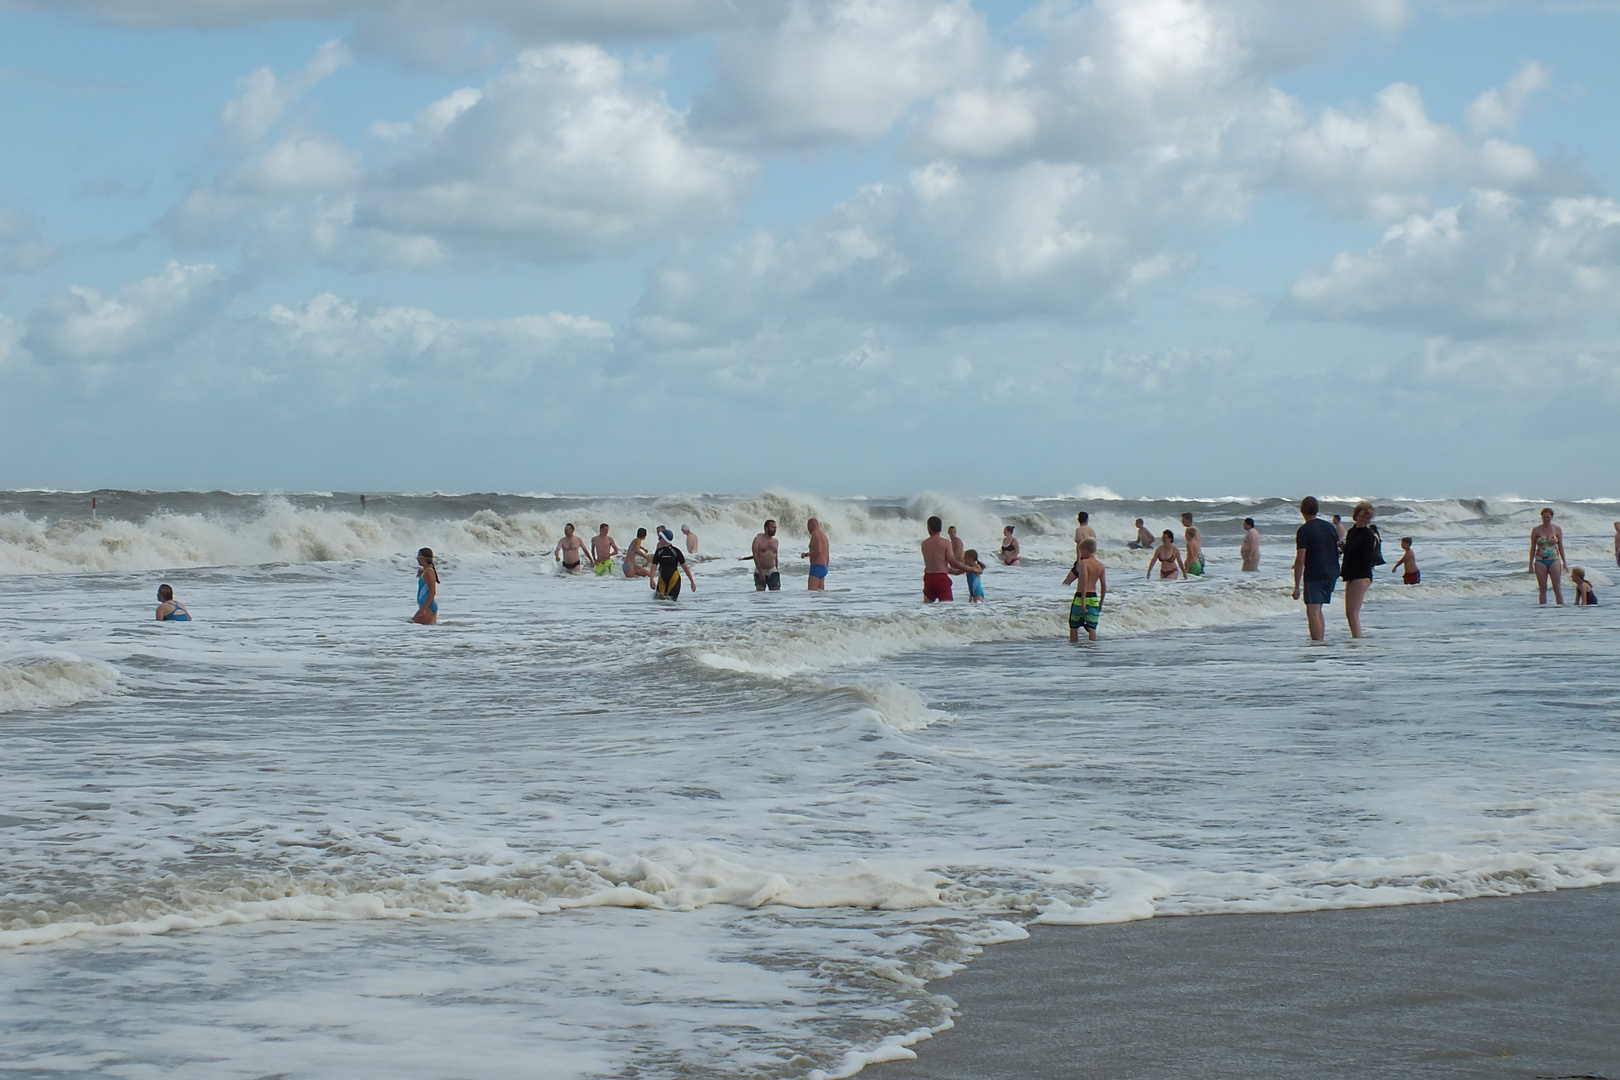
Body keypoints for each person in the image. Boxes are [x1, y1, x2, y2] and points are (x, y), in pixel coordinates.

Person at [1292, 496, 1341, 642]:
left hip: (1315, 573)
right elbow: (1336, 550)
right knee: (1318, 610)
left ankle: (1317, 644)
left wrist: (1296, 586)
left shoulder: (1304, 530)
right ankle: (1320, 641)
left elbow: (1301, 559)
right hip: (1331, 572)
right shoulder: (1330, 527)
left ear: (1302, 511)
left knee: (1312, 611)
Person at [1340, 501, 1383, 638]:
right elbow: (1350, 552)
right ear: (1356, 515)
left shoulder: (1368, 535)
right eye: (1362, 516)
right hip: (1351, 575)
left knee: (1353, 613)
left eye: (1367, 518)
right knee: (1349, 613)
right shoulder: (1352, 532)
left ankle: (1358, 641)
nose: (1364, 520)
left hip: (1361, 575)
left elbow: (1366, 558)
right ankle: (1356, 639)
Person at [922, 516, 974, 602]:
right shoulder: (946, 543)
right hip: (941, 578)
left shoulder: (924, 543)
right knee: (947, 608)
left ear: (928, 528)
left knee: (927, 609)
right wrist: (969, 568)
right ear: (941, 528)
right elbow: (952, 562)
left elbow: (934, 561)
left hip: (928, 578)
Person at [1069, 538, 1106, 642]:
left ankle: (1074, 647)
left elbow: (1084, 581)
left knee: (1074, 625)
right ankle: (1092, 649)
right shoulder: (1101, 565)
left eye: (1081, 552)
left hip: (1081, 597)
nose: (1081, 554)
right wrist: (1101, 603)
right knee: (1092, 627)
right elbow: (1104, 587)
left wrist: (1083, 602)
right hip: (1094, 598)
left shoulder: (1084, 563)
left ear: (1086, 550)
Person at [1528, 507, 1567, 606]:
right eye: (1544, 516)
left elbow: (1560, 546)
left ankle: (1561, 608)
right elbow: (1532, 547)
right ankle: (1543, 610)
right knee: (1542, 588)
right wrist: (1530, 564)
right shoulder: (1536, 530)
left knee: (1557, 587)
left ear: (1551, 517)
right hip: (1540, 560)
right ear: (1541, 517)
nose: (1546, 518)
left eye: (1548, 517)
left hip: (1554, 560)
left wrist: (1564, 563)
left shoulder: (1557, 529)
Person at [651, 528, 695, 600]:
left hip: (674, 579)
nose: (659, 539)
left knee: (671, 603)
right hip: (662, 580)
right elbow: (653, 567)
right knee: (659, 603)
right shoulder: (659, 552)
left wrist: (692, 582)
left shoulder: (676, 552)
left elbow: (685, 568)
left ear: (665, 539)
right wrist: (651, 580)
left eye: (660, 537)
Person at [741, 519, 781, 591]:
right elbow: (755, 555)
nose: (775, 530)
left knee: (775, 594)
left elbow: (776, 556)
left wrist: (777, 568)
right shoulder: (758, 540)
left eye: (776, 528)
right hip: (760, 570)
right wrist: (760, 571)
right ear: (766, 528)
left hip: (772, 570)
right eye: (773, 528)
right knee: (760, 594)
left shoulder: (775, 541)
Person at [413, 548, 439, 625]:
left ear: (424, 558)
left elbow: (432, 592)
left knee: (413, 625)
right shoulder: (425, 571)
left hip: (428, 607)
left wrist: (424, 608)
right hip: (426, 606)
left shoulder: (429, 572)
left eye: (419, 556)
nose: (417, 558)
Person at [802, 517, 830, 590]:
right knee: (820, 595)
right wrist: (826, 568)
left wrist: (806, 554)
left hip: (817, 567)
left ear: (810, 526)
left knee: (812, 593)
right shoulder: (824, 536)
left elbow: (818, 551)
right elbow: (827, 555)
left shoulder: (815, 534)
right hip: (824, 567)